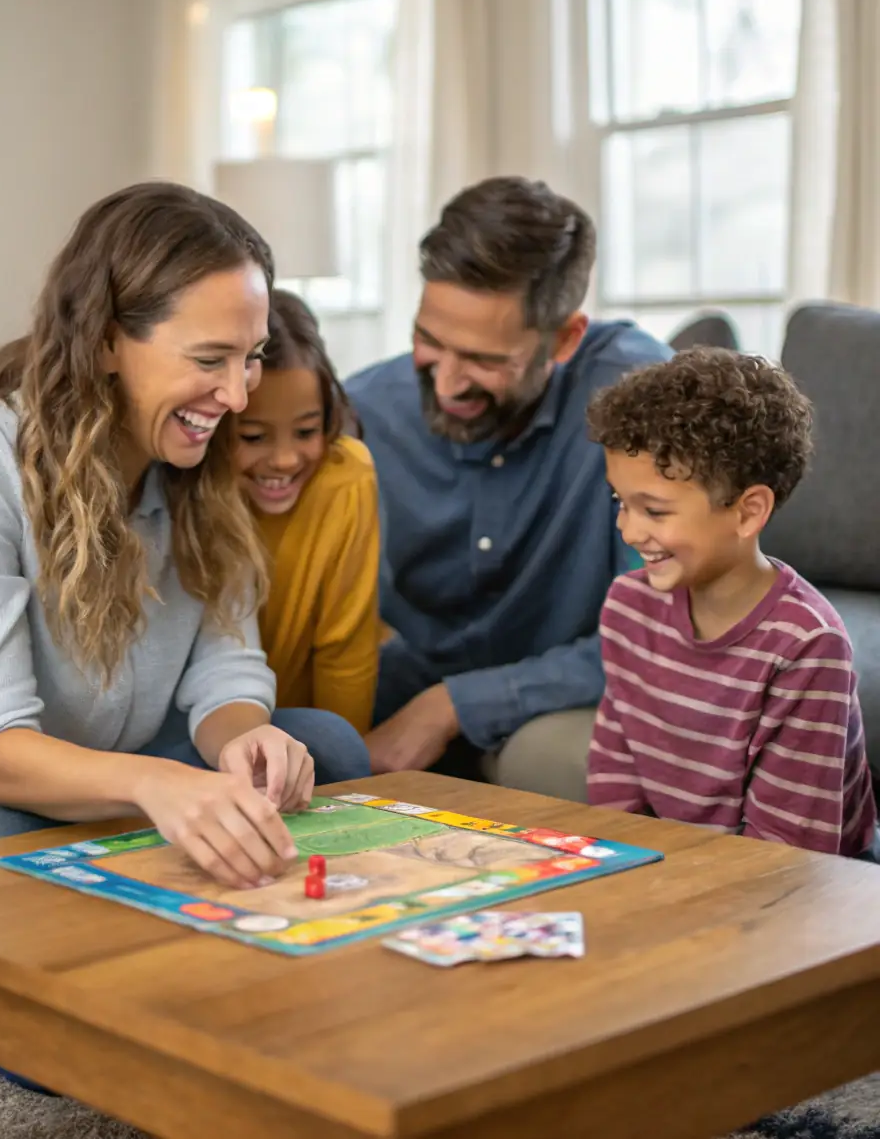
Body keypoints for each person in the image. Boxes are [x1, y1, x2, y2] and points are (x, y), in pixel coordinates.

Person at [0, 182, 372, 1001]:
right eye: (210, 360)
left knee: (324, 745)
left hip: (111, 788)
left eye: (251, 357)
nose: (238, 397)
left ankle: (140, 924)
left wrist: (242, 740)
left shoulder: (198, 463)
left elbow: (226, 672)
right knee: (6, 846)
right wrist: (158, 785)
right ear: (104, 340)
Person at [345, 176, 669, 788]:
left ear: (567, 338)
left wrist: (456, 705)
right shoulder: (362, 413)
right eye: (428, 341)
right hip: (407, 676)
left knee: (549, 761)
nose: (445, 384)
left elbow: (665, 629)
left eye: (487, 361)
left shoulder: (637, 398)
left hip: (570, 697)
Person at [585, 347, 877, 857]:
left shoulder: (806, 647)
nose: (627, 529)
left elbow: (787, 854)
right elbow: (616, 784)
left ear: (748, 513)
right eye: (620, 502)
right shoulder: (627, 608)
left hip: (810, 886)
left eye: (653, 511)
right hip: (683, 871)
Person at [235, 289, 379, 734]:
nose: (284, 459)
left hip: (297, 728)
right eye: (254, 437)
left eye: (306, 431)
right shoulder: (188, 486)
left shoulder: (345, 478)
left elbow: (345, 648)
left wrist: (345, 776)